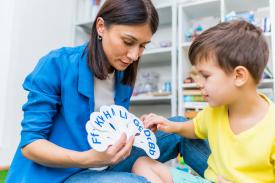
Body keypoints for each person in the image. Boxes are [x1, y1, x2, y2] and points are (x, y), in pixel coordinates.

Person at [5, 0, 184, 182]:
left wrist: (137, 131)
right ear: (101, 27)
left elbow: (108, 128)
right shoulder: (57, 64)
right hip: (61, 174)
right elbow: (30, 145)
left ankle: (213, 175)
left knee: (180, 127)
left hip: (105, 164)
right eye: (128, 41)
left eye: (143, 46)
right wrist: (89, 159)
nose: (134, 55)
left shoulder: (122, 77)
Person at [132, 20, 275, 183]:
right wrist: (170, 125)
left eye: (205, 76)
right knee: (141, 163)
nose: (198, 83)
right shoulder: (215, 111)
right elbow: (194, 128)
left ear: (239, 76)